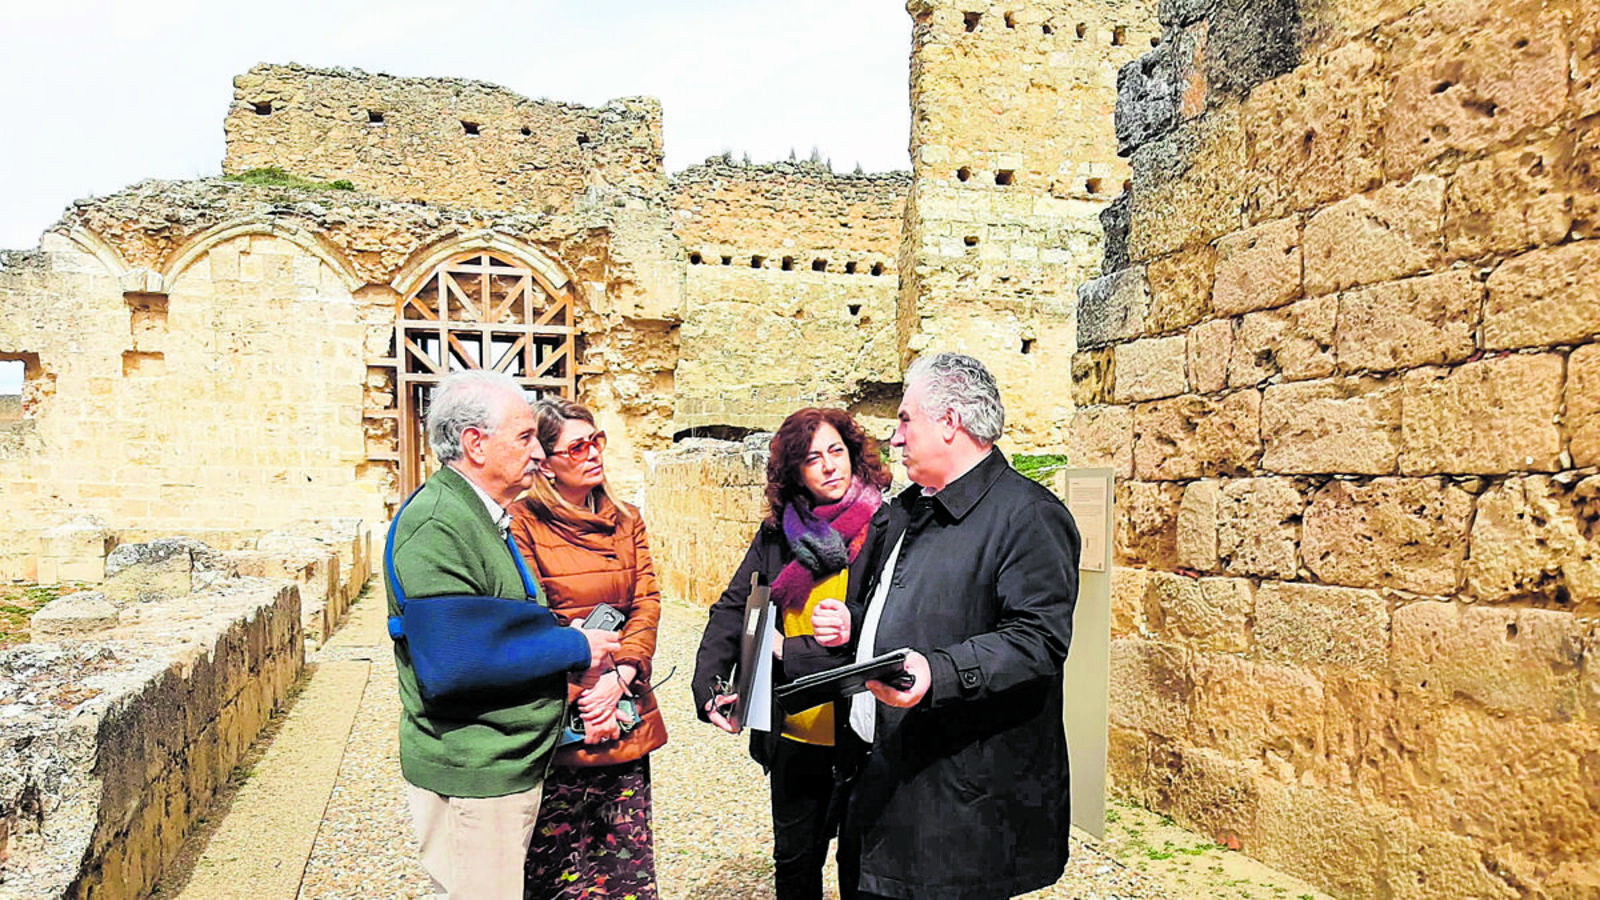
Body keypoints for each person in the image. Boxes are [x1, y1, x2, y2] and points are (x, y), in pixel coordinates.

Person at [824, 353, 1082, 900]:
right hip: (877, 789)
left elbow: (1037, 640)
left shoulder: (1028, 515)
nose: (894, 439)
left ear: (949, 422)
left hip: (956, 815)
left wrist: (937, 673)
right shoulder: (905, 512)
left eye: (904, 419)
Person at [387, 370, 619, 900]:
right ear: (474, 443)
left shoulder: (478, 515)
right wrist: (574, 646)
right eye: (524, 437)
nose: (539, 452)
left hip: (502, 761)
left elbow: (497, 624)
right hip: (475, 768)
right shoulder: (439, 524)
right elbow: (453, 662)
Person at [691, 408, 893, 900]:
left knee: (860, 865)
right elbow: (736, 606)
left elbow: (896, 619)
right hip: (794, 730)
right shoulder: (779, 533)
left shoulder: (889, 526)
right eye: (811, 458)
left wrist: (798, 647)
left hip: (862, 728)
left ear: (853, 454)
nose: (828, 466)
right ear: (794, 472)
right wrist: (711, 683)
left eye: (836, 452)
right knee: (796, 862)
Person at [511, 398, 668, 900]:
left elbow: (646, 602)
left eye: (596, 439)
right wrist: (586, 689)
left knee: (624, 871)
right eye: (576, 446)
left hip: (621, 705)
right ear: (547, 461)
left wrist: (620, 677)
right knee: (557, 874)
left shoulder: (627, 519)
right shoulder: (521, 522)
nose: (593, 453)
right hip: (564, 715)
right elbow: (533, 614)